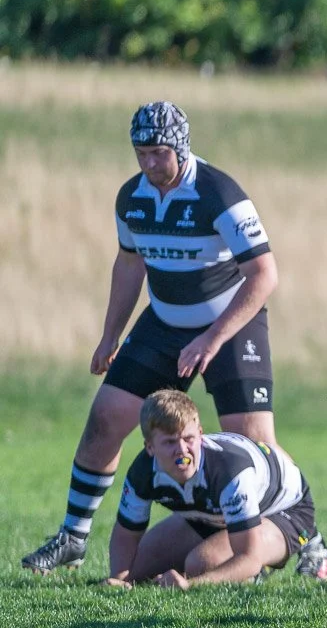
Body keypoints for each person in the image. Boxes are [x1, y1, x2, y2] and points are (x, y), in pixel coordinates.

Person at [24, 101, 281, 574]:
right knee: (105, 418)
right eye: (141, 153)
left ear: (180, 148)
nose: (148, 163)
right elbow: (129, 264)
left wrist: (213, 339)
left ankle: (298, 542)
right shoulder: (132, 198)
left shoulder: (218, 193)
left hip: (230, 322)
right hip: (163, 324)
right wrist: (110, 336)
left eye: (158, 153)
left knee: (255, 444)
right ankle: (73, 537)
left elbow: (264, 274)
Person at [104, 390, 327, 589]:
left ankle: (310, 543)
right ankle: (228, 555)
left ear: (201, 434)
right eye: (170, 442)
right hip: (213, 516)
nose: (182, 450)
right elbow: (127, 534)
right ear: (150, 447)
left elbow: (248, 557)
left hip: (284, 510)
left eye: (189, 439)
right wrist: (120, 579)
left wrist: (190, 585)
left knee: (201, 564)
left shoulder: (228, 470)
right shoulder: (143, 471)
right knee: (137, 568)